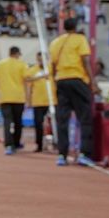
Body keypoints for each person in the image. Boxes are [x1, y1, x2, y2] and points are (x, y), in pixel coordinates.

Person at [49, 18, 99, 166]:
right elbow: (85, 61)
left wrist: (55, 82)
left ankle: (62, 155)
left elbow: (52, 65)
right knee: (85, 118)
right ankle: (84, 153)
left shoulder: (55, 42)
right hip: (77, 80)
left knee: (62, 120)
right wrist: (93, 82)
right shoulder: (80, 39)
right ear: (76, 27)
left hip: (61, 81)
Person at [0, 46, 30, 154]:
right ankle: (16, 143)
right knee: (18, 122)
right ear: (17, 54)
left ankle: (8, 145)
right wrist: (28, 98)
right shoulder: (22, 64)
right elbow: (26, 81)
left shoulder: (1, 64)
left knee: (7, 122)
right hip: (18, 97)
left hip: (5, 97)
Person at [25, 52, 53, 152]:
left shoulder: (51, 68)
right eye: (39, 59)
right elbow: (28, 85)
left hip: (51, 101)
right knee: (38, 123)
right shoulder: (32, 70)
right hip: (38, 101)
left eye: (42, 59)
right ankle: (39, 145)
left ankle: (54, 144)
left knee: (53, 124)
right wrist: (28, 101)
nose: (40, 61)